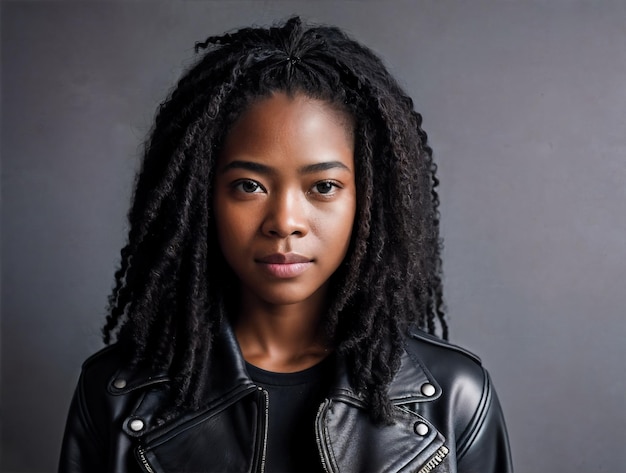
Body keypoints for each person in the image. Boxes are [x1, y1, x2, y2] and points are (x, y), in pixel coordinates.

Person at [59, 16, 512, 473]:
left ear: (371, 201)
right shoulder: (115, 396)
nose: (285, 223)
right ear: (200, 197)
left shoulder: (456, 397)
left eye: (324, 187)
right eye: (249, 186)